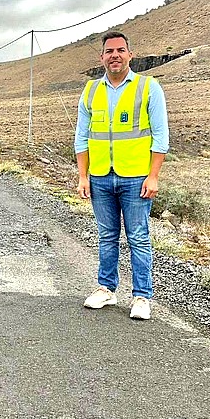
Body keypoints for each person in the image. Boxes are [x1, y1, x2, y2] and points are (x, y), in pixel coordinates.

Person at [74, 31, 170, 320]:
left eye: (120, 50)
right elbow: (82, 136)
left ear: (130, 54)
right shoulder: (91, 91)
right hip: (101, 176)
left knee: (138, 237)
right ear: (102, 57)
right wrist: (83, 176)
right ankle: (106, 288)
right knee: (107, 235)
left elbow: (161, 136)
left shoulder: (148, 87)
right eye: (109, 51)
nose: (114, 55)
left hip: (136, 177)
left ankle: (141, 296)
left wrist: (153, 177)